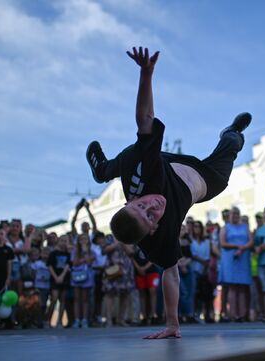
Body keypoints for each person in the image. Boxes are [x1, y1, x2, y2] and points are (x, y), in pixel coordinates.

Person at [85, 47, 250, 338]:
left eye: (142, 206)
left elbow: (145, 119)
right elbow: (170, 273)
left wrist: (146, 73)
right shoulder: (159, 242)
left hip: (157, 164)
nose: (154, 206)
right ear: (152, 230)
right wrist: (172, 324)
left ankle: (102, 170)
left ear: (132, 200)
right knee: (231, 150)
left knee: (131, 157)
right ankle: (232, 132)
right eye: (151, 216)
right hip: (202, 179)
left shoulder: (143, 179)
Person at [219, 207, 253, 321]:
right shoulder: (225, 228)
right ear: (229, 215)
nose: (235, 216)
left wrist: (243, 247)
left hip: (243, 258)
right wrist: (237, 246)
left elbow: (251, 241)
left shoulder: (245, 227)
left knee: (242, 287)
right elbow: (223, 243)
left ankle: (242, 315)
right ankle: (233, 315)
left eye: (237, 213)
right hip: (230, 259)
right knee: (232, 287)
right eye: (233, 214)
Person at [70, 234, 95, 328]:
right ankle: (77, 320)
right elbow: (74, 263)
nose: (83, 241)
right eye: (81, 239)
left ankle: (84, 320)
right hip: (76, 276)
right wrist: (82, 259)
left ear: (88, 241)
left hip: (87, 277)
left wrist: (85, 252)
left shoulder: (91, 251)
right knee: (77, 299)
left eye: (85, 239)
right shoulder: (74, 251)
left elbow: (89, 262)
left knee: (85, 299)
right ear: (78, 241)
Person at [47, 235, 71, 328]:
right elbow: (49, 266)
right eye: (62, 240)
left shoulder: (68, 254)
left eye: (65, 241)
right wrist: (56, 277)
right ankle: (48, 321)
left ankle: (59, 321)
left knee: (63, 300)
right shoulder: (53, 253)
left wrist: (62, 276)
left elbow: (67, 266)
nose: (63, 243)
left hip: (64, 278)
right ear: (58, 241)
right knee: (54, 299)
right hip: (54, 278)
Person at [32, 247, 51, 328]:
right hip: (38, 286)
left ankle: (43, 320)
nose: (45, 255)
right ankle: (36, 320)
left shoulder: (50, 265)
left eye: (47, 253)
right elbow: (33, 273)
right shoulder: (37, 263)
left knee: (44, 304)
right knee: (38, 304)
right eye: (44, 253)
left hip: (46, 286)